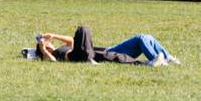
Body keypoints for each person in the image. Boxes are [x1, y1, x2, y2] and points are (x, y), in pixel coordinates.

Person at [26, 25, 179, 65]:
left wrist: (53, 35)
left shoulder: (62, 47)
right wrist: (42, 48)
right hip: (79, 56)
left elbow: (71, 41)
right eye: (47, 43)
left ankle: (167, 58)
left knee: (144, 37)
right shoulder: (52, 56)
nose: (49, 43)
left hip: (105, 51)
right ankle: (156, 60)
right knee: (82, 29)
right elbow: (49, 59)